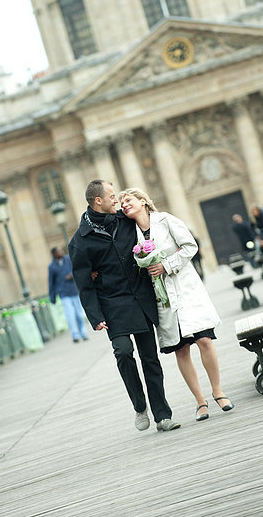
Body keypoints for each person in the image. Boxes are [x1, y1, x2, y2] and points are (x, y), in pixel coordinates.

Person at [68, 179, 180, 432]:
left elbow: (150, 228)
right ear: (98, 201)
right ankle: (140, 406)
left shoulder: (126, 221)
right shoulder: (80, 241)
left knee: (150, 359)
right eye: (111, 195)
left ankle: (162, 415)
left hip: (140, 300)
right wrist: (94, 316)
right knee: (123, 352)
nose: (116, 199)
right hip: (111, 305)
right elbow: (83, 283)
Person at [119, 187, 234, 422]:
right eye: (121, 203)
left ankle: (218, 391)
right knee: (181, 349)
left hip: (186, 288)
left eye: (128, 200)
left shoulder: (166, 220)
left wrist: (167, 265)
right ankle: (200, 402)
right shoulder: (130, 234)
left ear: (143, 201)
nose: (124, 205)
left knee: (203, 339)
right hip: (163, 297)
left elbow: (190, 246)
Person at [48, 247, 88, 343]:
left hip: (74, 291)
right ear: (54, 254)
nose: (61, 252)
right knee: (70, 314)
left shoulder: (68, 260)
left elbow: (78, 270)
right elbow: (51, 282)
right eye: (59, 251)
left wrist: (72, 275)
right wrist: (52, 297)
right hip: (64, 293)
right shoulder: (52, 267)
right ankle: (75, 335)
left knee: (79, 314)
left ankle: (83, 333)